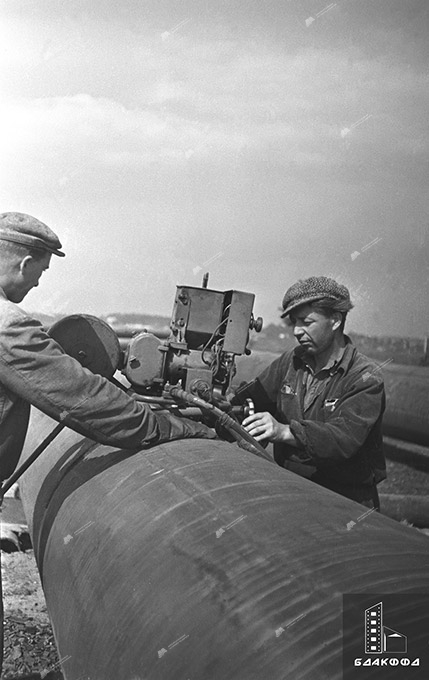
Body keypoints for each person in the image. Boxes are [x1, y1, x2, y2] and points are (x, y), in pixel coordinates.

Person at [0, 212, 216, 483]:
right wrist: (170, 426)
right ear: (25, 264)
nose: (38, 283)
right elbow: (80, 395)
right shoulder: (7, 326)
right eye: (41, 272)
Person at [233, 276, 386, 509]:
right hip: (293, 490)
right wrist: (222, 402)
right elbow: (252, 398)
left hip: (346, 501)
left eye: (306, 322)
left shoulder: (365, 378)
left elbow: (342, 439)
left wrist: (283, 431)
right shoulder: (292, 362)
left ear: (335, 320)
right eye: (294, 322)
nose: (297, 331)